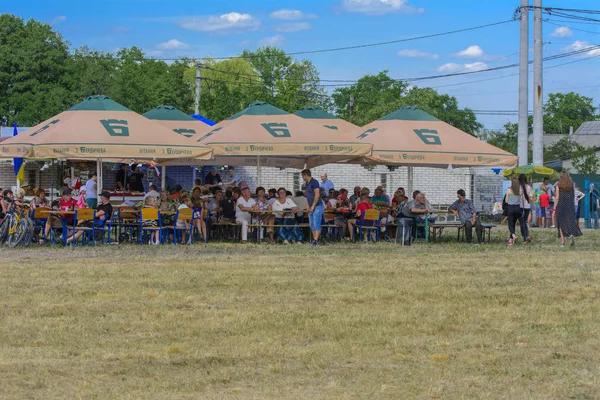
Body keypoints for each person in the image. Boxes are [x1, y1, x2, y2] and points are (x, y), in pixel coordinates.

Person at [555, 171, 582, 247]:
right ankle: (570, 234)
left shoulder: (558, 185)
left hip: (561, 205)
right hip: (570, 205)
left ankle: (562, 242)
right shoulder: (571, 185)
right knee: (569, 221)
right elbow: (573, 195)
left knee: (560, 223)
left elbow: (557, 197)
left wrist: (554, 208)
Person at [303, 169, 324, 248]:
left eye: (303, 176)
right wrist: (308, 205)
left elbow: (317, 195)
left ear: (306, 175)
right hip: (311, 206)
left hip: (317, 206)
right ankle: (314, 240)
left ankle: (315, 241)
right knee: (312, 224)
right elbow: (308, 196)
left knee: (316, 223)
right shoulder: (307, 183)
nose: (302, 178)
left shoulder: (314, 182)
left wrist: (313, 206)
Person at [504, 178, 525, 246]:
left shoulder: (509, 190)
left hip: (510, 208)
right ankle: (511, 239)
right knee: (514, 223)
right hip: (517, 208)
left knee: (510, 224)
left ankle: (513, 235)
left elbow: (506, 200)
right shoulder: (520, 190)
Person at [518, 174, 532, 243]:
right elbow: (530, 197)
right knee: (525, 221)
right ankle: (527, 236)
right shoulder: (529, 187)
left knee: (522, 222)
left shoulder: (518, 187)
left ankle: (525, 237)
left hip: (520, 206)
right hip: (527, 206)